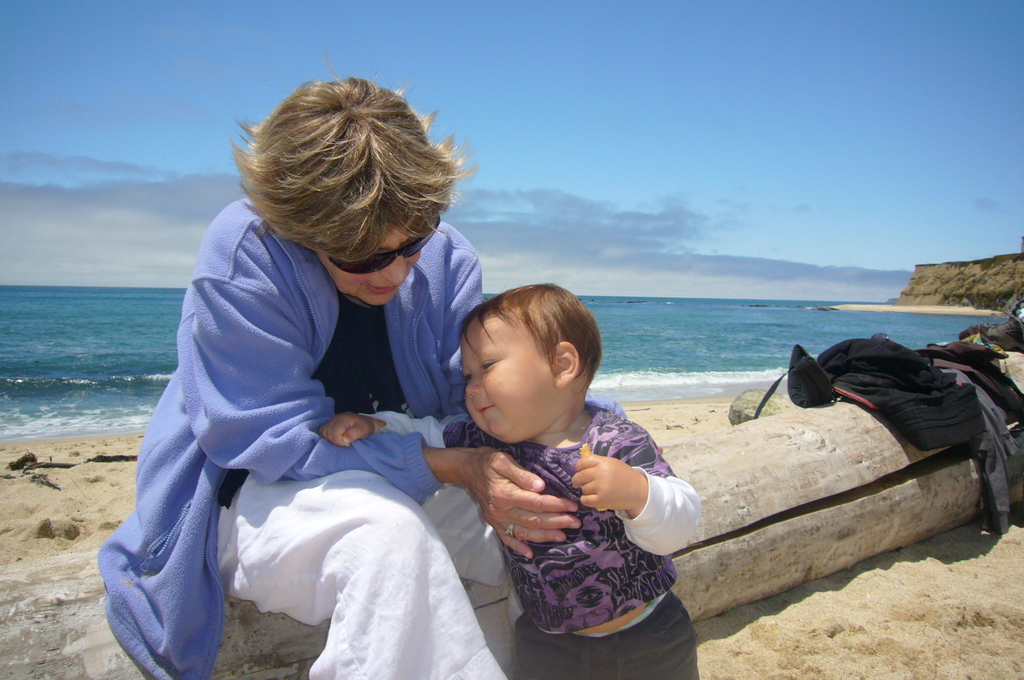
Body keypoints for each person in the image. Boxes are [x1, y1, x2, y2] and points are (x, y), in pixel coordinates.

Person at [98, 79, 586, 680]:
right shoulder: (246, 256)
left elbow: (474, 402)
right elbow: (264, 440)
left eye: (413, 242)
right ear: (303, 229)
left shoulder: (448, 259)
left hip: (401, 473)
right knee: (387, 540)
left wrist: (583, 421)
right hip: (249, 494)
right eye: (361, 256)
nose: (395, 273)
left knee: (551, 516)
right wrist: (447, 465)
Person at [321, 284, 703, 680]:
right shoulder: (483, 442)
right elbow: (426, 433)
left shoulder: (617, 441)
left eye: (487, 367)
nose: (470, 386)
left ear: (561, 366)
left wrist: (639, 493)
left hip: (648, 636)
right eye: (468, 374)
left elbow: (682, 525)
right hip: (547, 643)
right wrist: (377, 424)